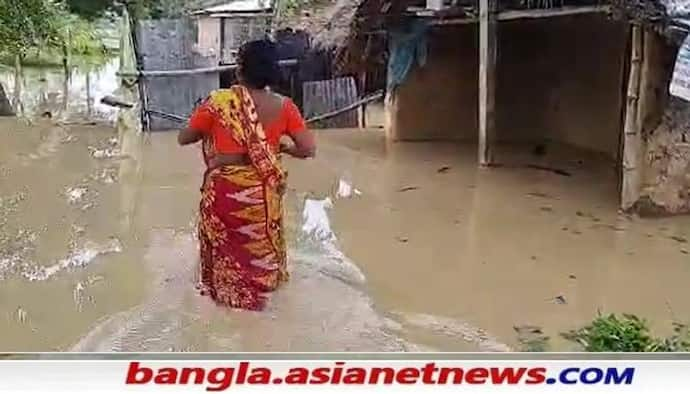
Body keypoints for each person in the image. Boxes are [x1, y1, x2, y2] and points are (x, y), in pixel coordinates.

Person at [177, 39, 316, 311]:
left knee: (225, 250)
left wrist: (210, 126)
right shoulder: (285, 106)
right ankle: (265, 295)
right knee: (261, 248)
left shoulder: (219, 102)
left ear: (239, 70)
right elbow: (308, 149)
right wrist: (279, 148)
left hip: (225, 193)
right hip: (263, 195)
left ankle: (224, 299)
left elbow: (184, 138)